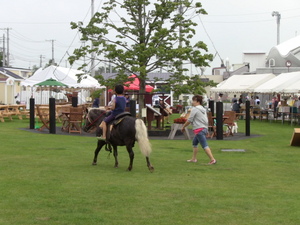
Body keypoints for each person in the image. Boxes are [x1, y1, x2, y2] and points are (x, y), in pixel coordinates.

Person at [181, 95, 217, 165]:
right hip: (203, 128)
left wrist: (183, 126)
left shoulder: (195, 109)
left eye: (194, 100)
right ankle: (194, 159)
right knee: (194, 143)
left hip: (199, 129)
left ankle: (212, 159)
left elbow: (190, 120)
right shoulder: (203, 109)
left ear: (198, 101)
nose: (192, 102)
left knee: (204, 145)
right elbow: (205, 120)